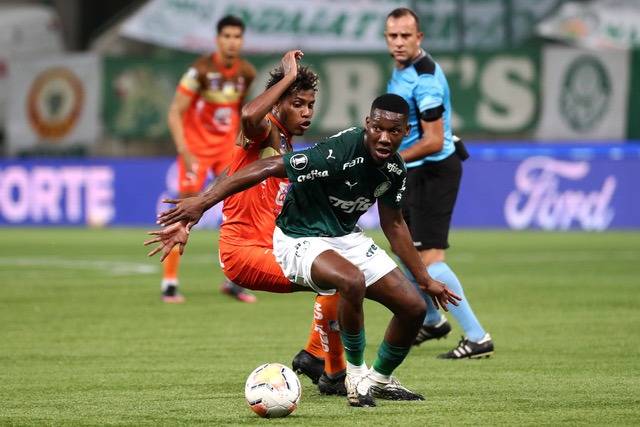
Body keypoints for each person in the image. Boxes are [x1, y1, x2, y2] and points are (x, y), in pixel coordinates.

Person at [145, 93, 462, 407]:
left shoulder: (393, 170)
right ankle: (351, 375)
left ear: (405, 132)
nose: (383, 137)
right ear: (367, 124)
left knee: (413, 307)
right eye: (377, 128)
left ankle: (376, 380)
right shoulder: (336, 152)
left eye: (393, 131)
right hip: (300, 236)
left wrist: (424, 279)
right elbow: (267, 165)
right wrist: (201, 203)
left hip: (345, 237)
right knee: (348, 281)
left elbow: (394, 225)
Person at [216, 49, 347, 395]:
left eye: (310, 105)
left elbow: (230, 175)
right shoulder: (264, 132)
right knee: (337, 280)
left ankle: (315, 358)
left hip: (273, 246)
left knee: (341, 274)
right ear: (278, 104)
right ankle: (330, 370)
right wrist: (287, 77)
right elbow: (248, 114)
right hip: (243, 252)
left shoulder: (287, 146)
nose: (306, 113)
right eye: (297, 104)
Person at [384, 7, 494, 359]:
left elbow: (432, 140)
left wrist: (392, 158)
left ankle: (477, 337)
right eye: (393, 36)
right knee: (404, 249)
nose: (399, 42)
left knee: (430, 259)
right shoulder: (403, 69)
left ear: (420, 38)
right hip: (416, 170)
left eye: (405, 36)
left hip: (432, 171)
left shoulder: (426, 78)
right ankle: (432, 320)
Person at [163, 15, 257, 304]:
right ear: (218, 39)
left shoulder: (246, 73)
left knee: (242, 209)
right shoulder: (199, 70)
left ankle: (234, 281)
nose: (232, 41)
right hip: (197, 151)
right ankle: (170, 283)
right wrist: (185, 150)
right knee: (184, 211)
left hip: (227, 151)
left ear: (241, 41)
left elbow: (244, 113)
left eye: (237, 37)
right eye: (227, 36)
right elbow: (175, 111)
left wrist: (243, 146)